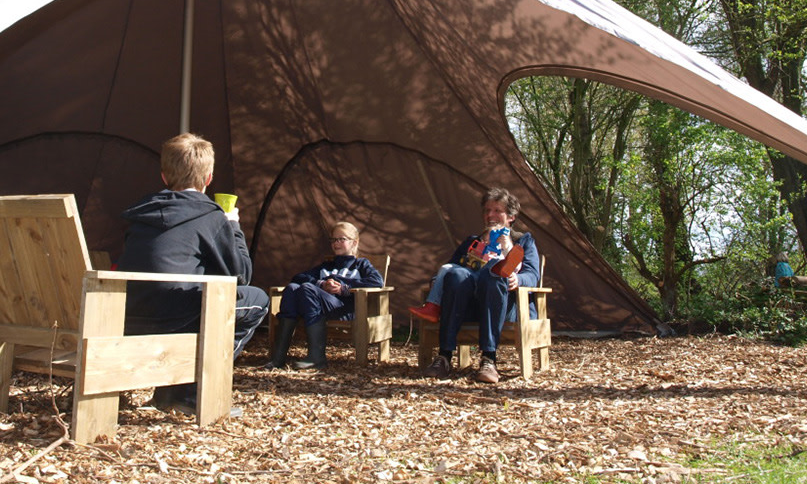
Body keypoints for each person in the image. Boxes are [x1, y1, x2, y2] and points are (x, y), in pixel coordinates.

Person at [116, 132, 269, 411]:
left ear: (164, 176)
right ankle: (192, 391)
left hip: (128, 316)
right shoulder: (210, 216)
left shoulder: (141, 215)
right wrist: (232, 226)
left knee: (194, 295)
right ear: (208, 178)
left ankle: (172, 393)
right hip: (174, 317)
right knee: (257, 299)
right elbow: (241, 275)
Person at [420, 188, 540, 384]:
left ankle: (489, 359)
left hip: (506, 306)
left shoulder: (523, 241)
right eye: (487, 210)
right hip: (469, 305)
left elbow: (533, 275)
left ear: (511, 217)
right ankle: (444, 357)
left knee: (494, 272)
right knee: (457, 274)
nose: (490, 215)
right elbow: (451, 267)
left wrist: (518, 280)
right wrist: (438, 281)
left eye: (497, 211)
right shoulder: (473, 242)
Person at [265, 221, 384, 370]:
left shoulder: (361, 265)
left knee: (308, 288)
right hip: (318, 307)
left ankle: (317, 358)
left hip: (344, 308)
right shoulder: (327, 266)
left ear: (354, 242)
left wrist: (343, 288)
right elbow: (298, 277)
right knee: (292, 288)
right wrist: (322, 284)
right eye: (333, 240)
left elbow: (377, 281)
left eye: (341, 239)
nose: (336, 243)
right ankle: (278, 358)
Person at [409, 222, 512, 324]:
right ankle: (432, 306)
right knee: (446, 268)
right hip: (469, 274)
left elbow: (512, 266)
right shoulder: (479, 249)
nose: (485, 243)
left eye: (489, 241)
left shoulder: (500, 255)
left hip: (483, 282)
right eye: (484, 241)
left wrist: (506, 248)